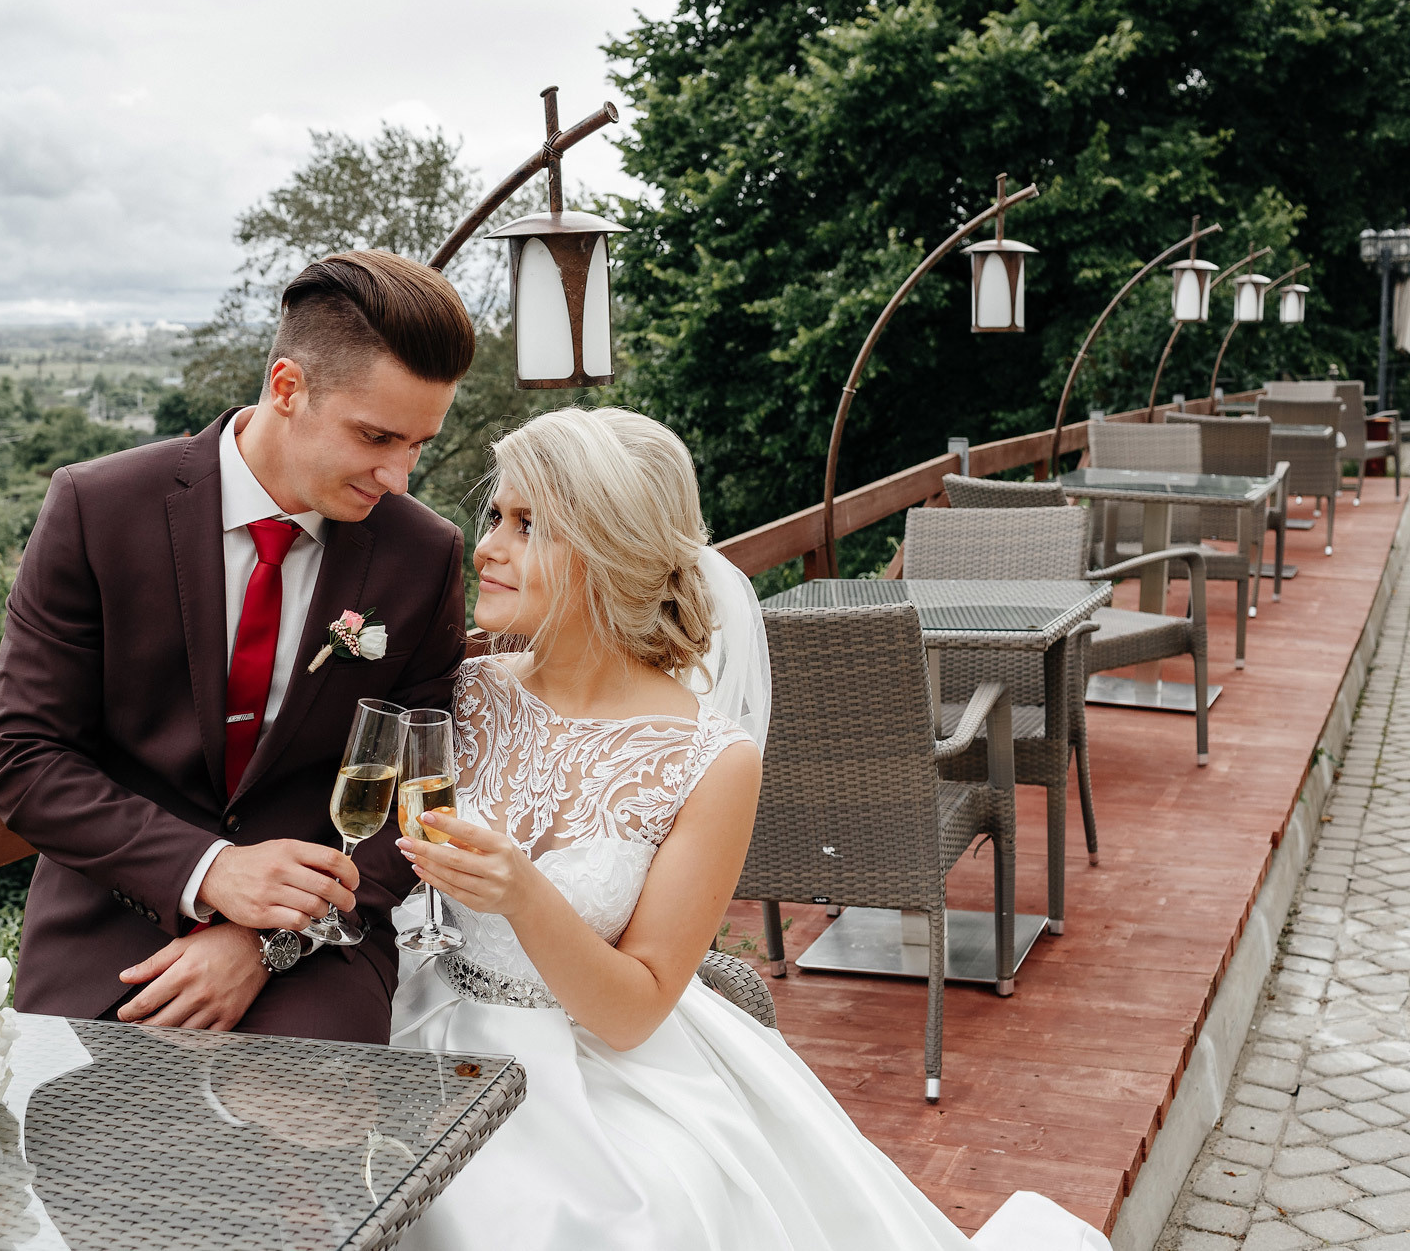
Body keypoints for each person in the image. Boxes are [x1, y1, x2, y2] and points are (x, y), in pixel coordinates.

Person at [389, 407, 1110, 1251]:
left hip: (602, 1068)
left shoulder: (711, 758)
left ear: (610, 551)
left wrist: (522, 894)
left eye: (527, 525)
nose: (486, 548)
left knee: (609, 1219)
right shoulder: (463, 693)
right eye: (495, 517)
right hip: (420, 1022)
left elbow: (635, 1011)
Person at [0, 249, 471, 1042]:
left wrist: (269, 938)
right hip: (108, 922)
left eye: (418, 443)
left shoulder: (425, 555)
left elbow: (412, 807)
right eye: (377, 435)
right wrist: (212, 874)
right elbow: (26, 758)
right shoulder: (95, 508)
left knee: (303, 1142)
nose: (399, 476)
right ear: (288, 387)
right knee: (78, 1150)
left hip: (321, 946)